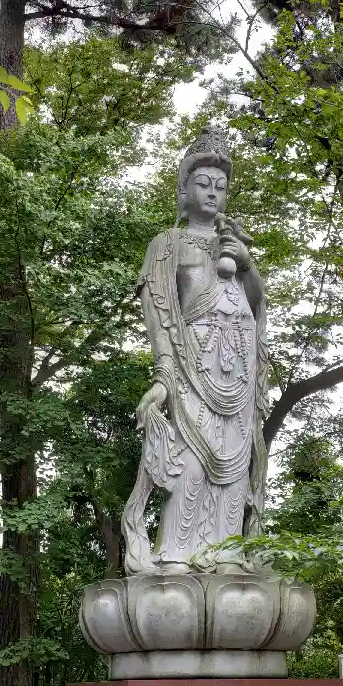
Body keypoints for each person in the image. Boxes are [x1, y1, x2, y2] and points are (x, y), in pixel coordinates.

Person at [121, 127, 269, 574]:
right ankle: (175, 556)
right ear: (184, 189)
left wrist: (246, 265)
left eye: (220, 186)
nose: (212, 193)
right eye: (203, 183)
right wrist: (163, 375)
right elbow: (159, 313)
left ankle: (228, 554)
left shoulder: (236, 248)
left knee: (235, 465)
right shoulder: (168, 244)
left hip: (238, 371)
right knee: (190, 462)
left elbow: (256, 306)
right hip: (192, 365)